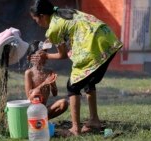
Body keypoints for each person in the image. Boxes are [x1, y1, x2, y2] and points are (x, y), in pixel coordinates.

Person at [29, 0, 123, 136]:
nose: (37, 23)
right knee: (88, 81)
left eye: (36, 20)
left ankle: (75, 129)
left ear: (43, 16)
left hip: (94, 46)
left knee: (72, 86)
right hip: (107, 38)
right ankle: (94, 120)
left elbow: (62, 55)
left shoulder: (53, 28)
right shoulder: (66, 13)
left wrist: (46, 56)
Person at [25, 40, 68, 120]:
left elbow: (55, 93)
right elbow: (29, 96)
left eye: (45, 54)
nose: (44, 57)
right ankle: (36, 120)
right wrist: (45, 83)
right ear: (31, 57)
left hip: (44, 111)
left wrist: (52, 83)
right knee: (36, 92)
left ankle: (43, 120)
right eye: (41, 54)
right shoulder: (29, 73)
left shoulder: (49, 72)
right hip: (33, 111)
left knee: (63, 103)